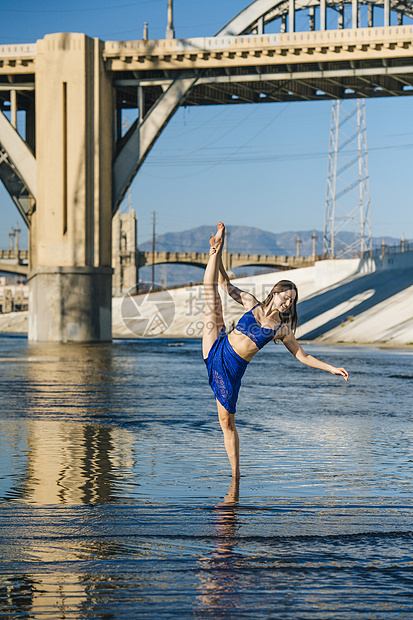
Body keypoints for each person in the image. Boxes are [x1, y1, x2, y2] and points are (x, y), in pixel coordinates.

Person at [203, 222, 349, 479]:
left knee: (227, 423)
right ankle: (216, 246)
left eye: (292, 301)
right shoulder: (251, 302)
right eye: (286, 297)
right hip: (218, 347)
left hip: (232, 370)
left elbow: (302, 355)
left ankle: (236, 476)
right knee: (212, 296)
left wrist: (331, 368)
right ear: (276, 292)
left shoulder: (280, 329)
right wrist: (220, 254)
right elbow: (225, 284)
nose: (288, 303)